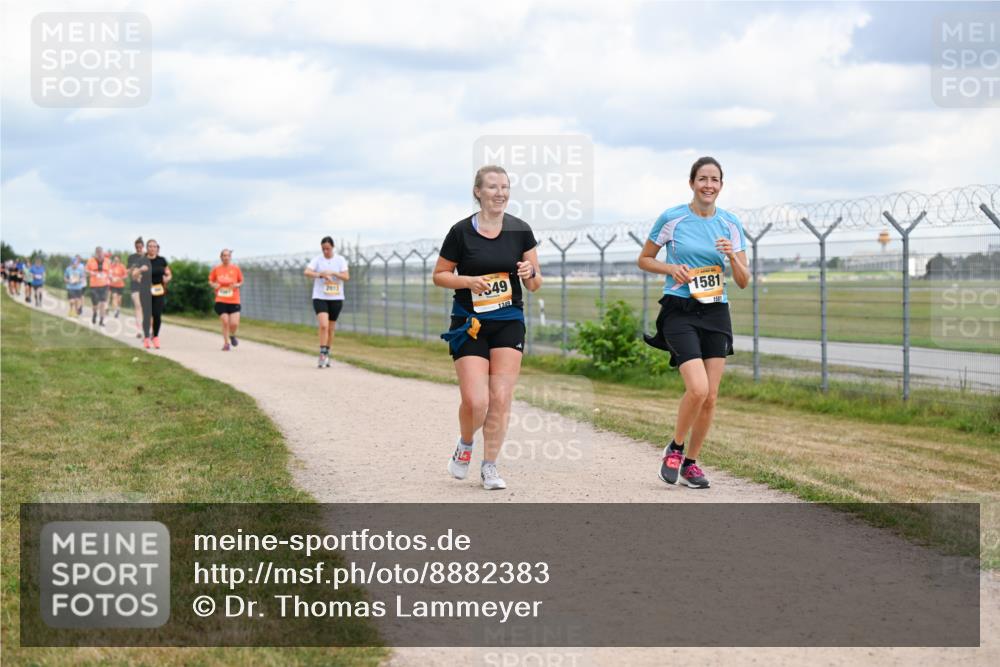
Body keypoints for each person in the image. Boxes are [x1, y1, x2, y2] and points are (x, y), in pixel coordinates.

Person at [638, 156, 750, 489]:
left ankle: (690, 464)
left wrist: (732, 256)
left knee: (711, 396)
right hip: (680, 309)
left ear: (721, 186)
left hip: (716, 310)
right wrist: (671, 269)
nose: (708, 185)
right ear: (691, 183)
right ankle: (674, 447)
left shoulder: (730, 224)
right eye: (702, 179)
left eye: (714, 180)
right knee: (697, 388)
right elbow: (644, 259)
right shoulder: (672, 219)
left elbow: (744, 280)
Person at [433, 165, 541, 490]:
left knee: (501, 397)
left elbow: (536, 283)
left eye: (505, 187)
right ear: (478, 192)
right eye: (492, 187)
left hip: (509, 321)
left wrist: (528, 272)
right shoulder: (460, 232)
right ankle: (466, 443)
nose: (500, 193)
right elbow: (440, 274)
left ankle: (490, 465)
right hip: (470, 323)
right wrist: (467, 281)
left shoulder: (520, 230)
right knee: (476, 401)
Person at [304, 237, 349, 368]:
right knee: (323, 325)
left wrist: (334, 273)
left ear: (333, 247)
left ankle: (328, 353)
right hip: (320, 297)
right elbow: (307, 272)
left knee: (331, 328)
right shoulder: (317, 259)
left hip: (336, 298)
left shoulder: (340, 260)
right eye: (323, 249)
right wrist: (320, 275)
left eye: (328, 249)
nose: (325, 251)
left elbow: (346, 277)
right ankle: (322, 354)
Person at [208, 249, 244, 351]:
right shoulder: (217, 269)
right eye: (224, 255)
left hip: (234, 300)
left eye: (228, 255)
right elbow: (210, 280)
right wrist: (214, 285)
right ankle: (226, 343)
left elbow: (241, 281)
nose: (226, 257)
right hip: (221, 299)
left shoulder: (236, 269)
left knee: (234, 324)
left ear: (230, 257)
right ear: (221, 257)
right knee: (225, 321)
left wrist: (237, 284)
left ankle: (232, 335)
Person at [142, 239, 170, 349]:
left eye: (154, 246)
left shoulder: (162, 260)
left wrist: (167, 278)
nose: (152, 248)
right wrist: (140, 271)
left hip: (159, 290)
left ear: (156, 248)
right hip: (145, 290)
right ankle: (146, 337)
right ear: (147, 248)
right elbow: (134, 274)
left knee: (157, 314)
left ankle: (156, 337)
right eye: (150, 246)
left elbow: (168, 273)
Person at [127, 237, 149, 338]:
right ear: (135, 247)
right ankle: (139, 330)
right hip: (135, 285)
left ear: (143, 246)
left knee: (146, 308)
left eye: (140, 247)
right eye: (137, 247)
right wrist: (132, 268)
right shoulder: (131, 257)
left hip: (146, 285)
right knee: (138, 305)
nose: (139, 249)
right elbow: (128, 272)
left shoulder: (147, 257)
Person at [85, 247, 112, 327]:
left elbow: (110, 271)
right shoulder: (90, 261)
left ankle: (101, 320)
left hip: (104, 285)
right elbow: (85, 270)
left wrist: (110, 276)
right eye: (98, 253)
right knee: (95, 303)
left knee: (103, 303)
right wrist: (92, 273)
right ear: (95, 253)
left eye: (101, 252)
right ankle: (94, 313)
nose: (100, 254)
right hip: (94, 285)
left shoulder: (107, 261)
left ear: (103, 253)